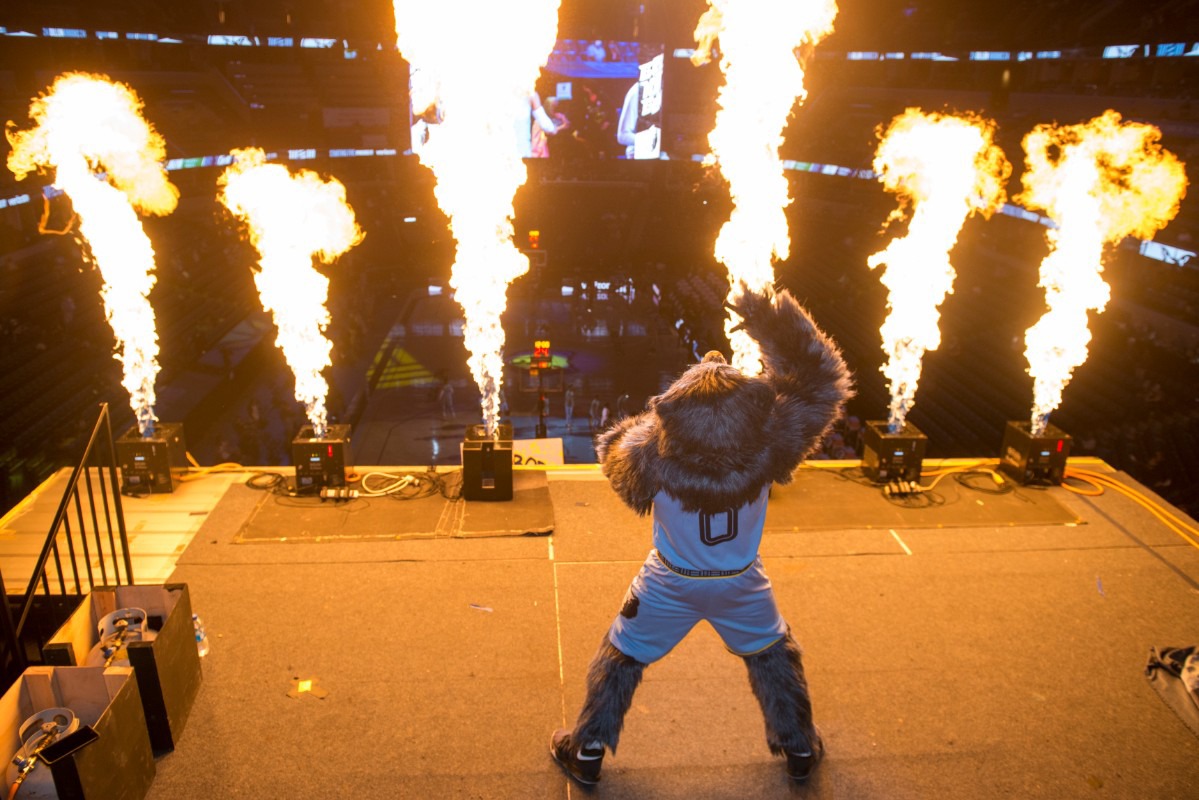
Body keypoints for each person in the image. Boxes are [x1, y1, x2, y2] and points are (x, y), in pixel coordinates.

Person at [550, 284, 852, 786]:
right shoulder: (773, 438)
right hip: (740, 580)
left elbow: (610, 451)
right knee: (774, 655)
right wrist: (768, 316)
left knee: (620, 658)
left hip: (670, 581)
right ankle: (798, 747)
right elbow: (824, 382)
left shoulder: (648, 449)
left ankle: (586, 751)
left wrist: (654, 426)